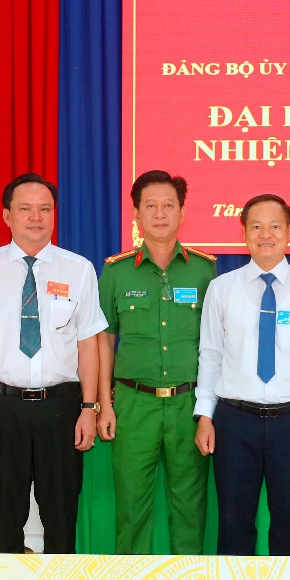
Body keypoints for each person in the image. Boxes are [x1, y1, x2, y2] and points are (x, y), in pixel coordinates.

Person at [0, 172, 104, 554]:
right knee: (6, 515)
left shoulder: (79, 269)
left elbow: (88, 343)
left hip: (61, 407)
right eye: (25, 209)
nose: (36, 217)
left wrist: (89, 408)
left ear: (54, 215)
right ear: (7, 216)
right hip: (1, 407)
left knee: (61, 514)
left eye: (44, 209)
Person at [194, 194, 290, 555]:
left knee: (289, 523)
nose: (266, 234)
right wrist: (205, 415)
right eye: (256, 226)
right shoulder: (222, 289)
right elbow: (210, 355)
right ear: (244, 233)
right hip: (234, 421)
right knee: (233, 523)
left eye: (275, 226)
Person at [98, 170, 217, 554]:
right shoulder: (116, 271)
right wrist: (103, 403)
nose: (160, 213)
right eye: (150, 206)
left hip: (188, 405)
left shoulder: (204, 270)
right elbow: (104, 339)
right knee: (132, 510)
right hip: (134, 404)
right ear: (136, 214)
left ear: (182, 212)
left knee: (190, 510)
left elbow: (216, 343)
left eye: (169, 205)